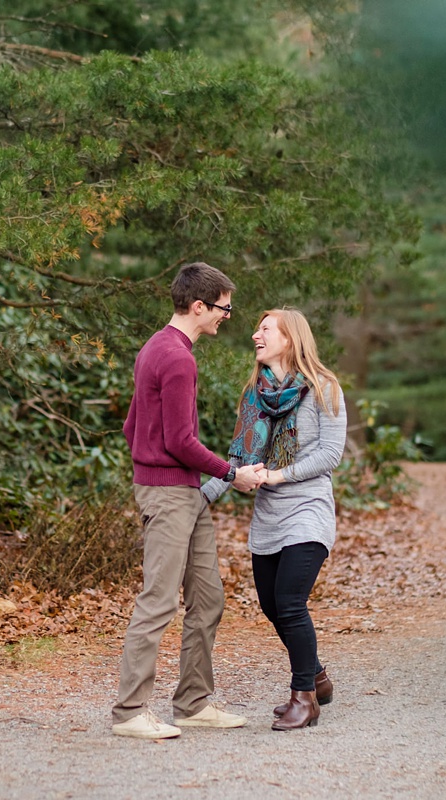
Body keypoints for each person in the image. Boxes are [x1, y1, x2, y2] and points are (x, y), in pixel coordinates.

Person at [111, 262, 265, 740]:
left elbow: (130, 427)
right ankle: (130, 712)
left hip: (184, 491)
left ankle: (193, 703)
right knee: (158, 600)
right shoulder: (177, 358)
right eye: (223, 308)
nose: (227, 316)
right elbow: (179, 440)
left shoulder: (158, 347)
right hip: (169, 493)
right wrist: (231, 473)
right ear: (199, 306)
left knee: (208, 598)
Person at [202, 308, 346, 730]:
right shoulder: (255, 392)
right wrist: (205, 494)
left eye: (264, 329)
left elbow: (330, 455)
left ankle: (304, 697)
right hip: (269, 515)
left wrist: (278, 474)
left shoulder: (324, 387)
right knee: (270, 604)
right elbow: (241, 457)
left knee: (290, 602)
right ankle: (316, 675)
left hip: (307, 511)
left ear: (290, 337)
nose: (254, 335)